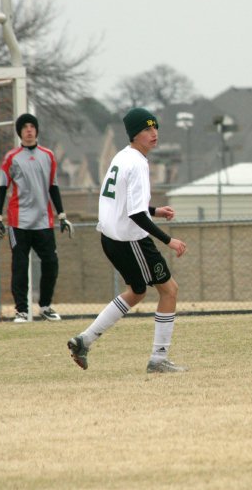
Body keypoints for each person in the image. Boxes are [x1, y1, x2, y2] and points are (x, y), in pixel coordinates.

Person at [67, 108, 189, 374]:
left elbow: (127, 203)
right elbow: (135, 213)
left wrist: (155, 210)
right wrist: (168, 240)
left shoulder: (121, 157)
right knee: (169, 290)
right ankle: (158, 360)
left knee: (137, 291)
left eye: (155, 127)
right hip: (130, 238)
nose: (154, 133)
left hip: (111, 237)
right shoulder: (137, 163)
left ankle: (83, 340)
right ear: (135, 134)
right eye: (147, 129)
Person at [0, 113, 72, 322]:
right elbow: (2, 187)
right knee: (19, 265)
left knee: (51, 262)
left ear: (36, 130)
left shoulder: (48, 155)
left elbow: (53, 186)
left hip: (44, 221)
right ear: (19, 132)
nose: (29, 130)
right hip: (19, 221)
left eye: (32, 126)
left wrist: (62, 214)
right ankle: (21, 310)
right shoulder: (12, 157)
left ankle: (45, 306)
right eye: (25, 127)